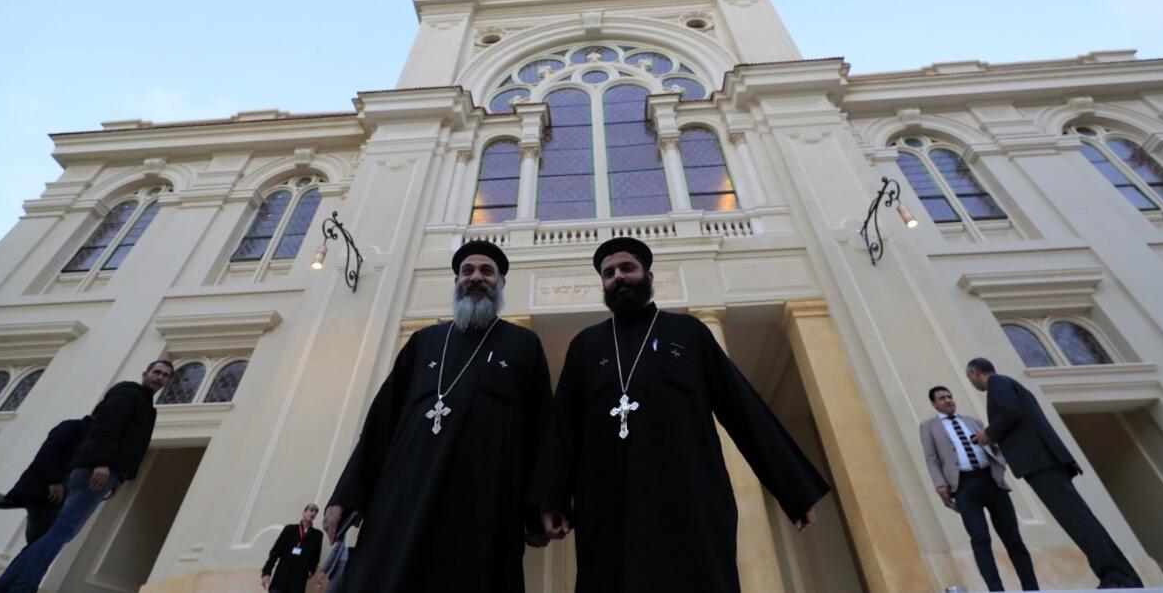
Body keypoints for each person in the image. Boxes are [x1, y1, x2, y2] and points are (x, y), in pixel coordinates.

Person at [529, 237, 830, 593]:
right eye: (609, 273)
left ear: (648, 276)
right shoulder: (585, 346)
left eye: (627, 268)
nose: (618, 277)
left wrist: (793, 489)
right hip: (609, 503)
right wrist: (552, 497)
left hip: (689, 495)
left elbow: (742, 407)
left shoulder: (689, 334)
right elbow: (563, 427)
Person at [323, 240, 552, 593]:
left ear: (502, 282)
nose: (476, 278)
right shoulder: (423, 341)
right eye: (467, 271)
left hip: (484, 503)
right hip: (402, 496)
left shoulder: (523, 345)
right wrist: (346, 495)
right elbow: (380, 423)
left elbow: (540, 430)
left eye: (486, 271)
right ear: (457, 281)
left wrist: (542, 503)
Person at [0, 359, 172, 593]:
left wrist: (120, 477)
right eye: (157, 372)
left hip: (107, 473)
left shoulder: (144, 404)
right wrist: (102, 463)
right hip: (95, 470)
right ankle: (23, 586)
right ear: (145, 373)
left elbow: (130, 443)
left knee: (58, 533)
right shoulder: (128, 394)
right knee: (62, 531)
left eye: (166, 375)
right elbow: (106, 427)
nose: (160, 378)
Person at [966, 357, 1142, 589]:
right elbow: (1020, 421)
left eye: (971, 378)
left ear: (975, 372)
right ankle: (1123, 576)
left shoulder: (997, 384)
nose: (972, 383)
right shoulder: (1010, 384)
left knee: (1077, 521)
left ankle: (1115, 577)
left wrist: (988, 434)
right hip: (1044, 459)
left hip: (1039, 462)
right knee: (1082, 519)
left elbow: (1010, 412)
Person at [919, 385, 1037, 591]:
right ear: (934, 404)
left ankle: (1031, 587)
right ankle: (995, 589)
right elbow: (931, 459)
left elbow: (992, 445)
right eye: (942, 398)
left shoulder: (973, 421)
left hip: (991, 481)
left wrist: (1001, 462)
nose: (948, 400)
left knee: (1013, 537)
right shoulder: (928, 427)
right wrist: (940, 484)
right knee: (980, 538)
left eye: (949, 396)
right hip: (964, 486)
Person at [4, 416, 92, 544]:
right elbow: (48, 453)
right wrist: (51, 480)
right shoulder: (76, 428)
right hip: (47, 492)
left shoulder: (84, 432)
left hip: (52, 494)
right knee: (38, 541)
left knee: (40, 542)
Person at [261, 504, 323, 593]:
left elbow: (316, 558)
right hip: (281, 577)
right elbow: (275, 551)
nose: (313, 513)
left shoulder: (317, 535)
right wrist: (267, 571)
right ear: (304, 512)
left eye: (316, 511)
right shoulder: (289, 529)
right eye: (311, 510)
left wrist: (309, 572)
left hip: (298, 581)